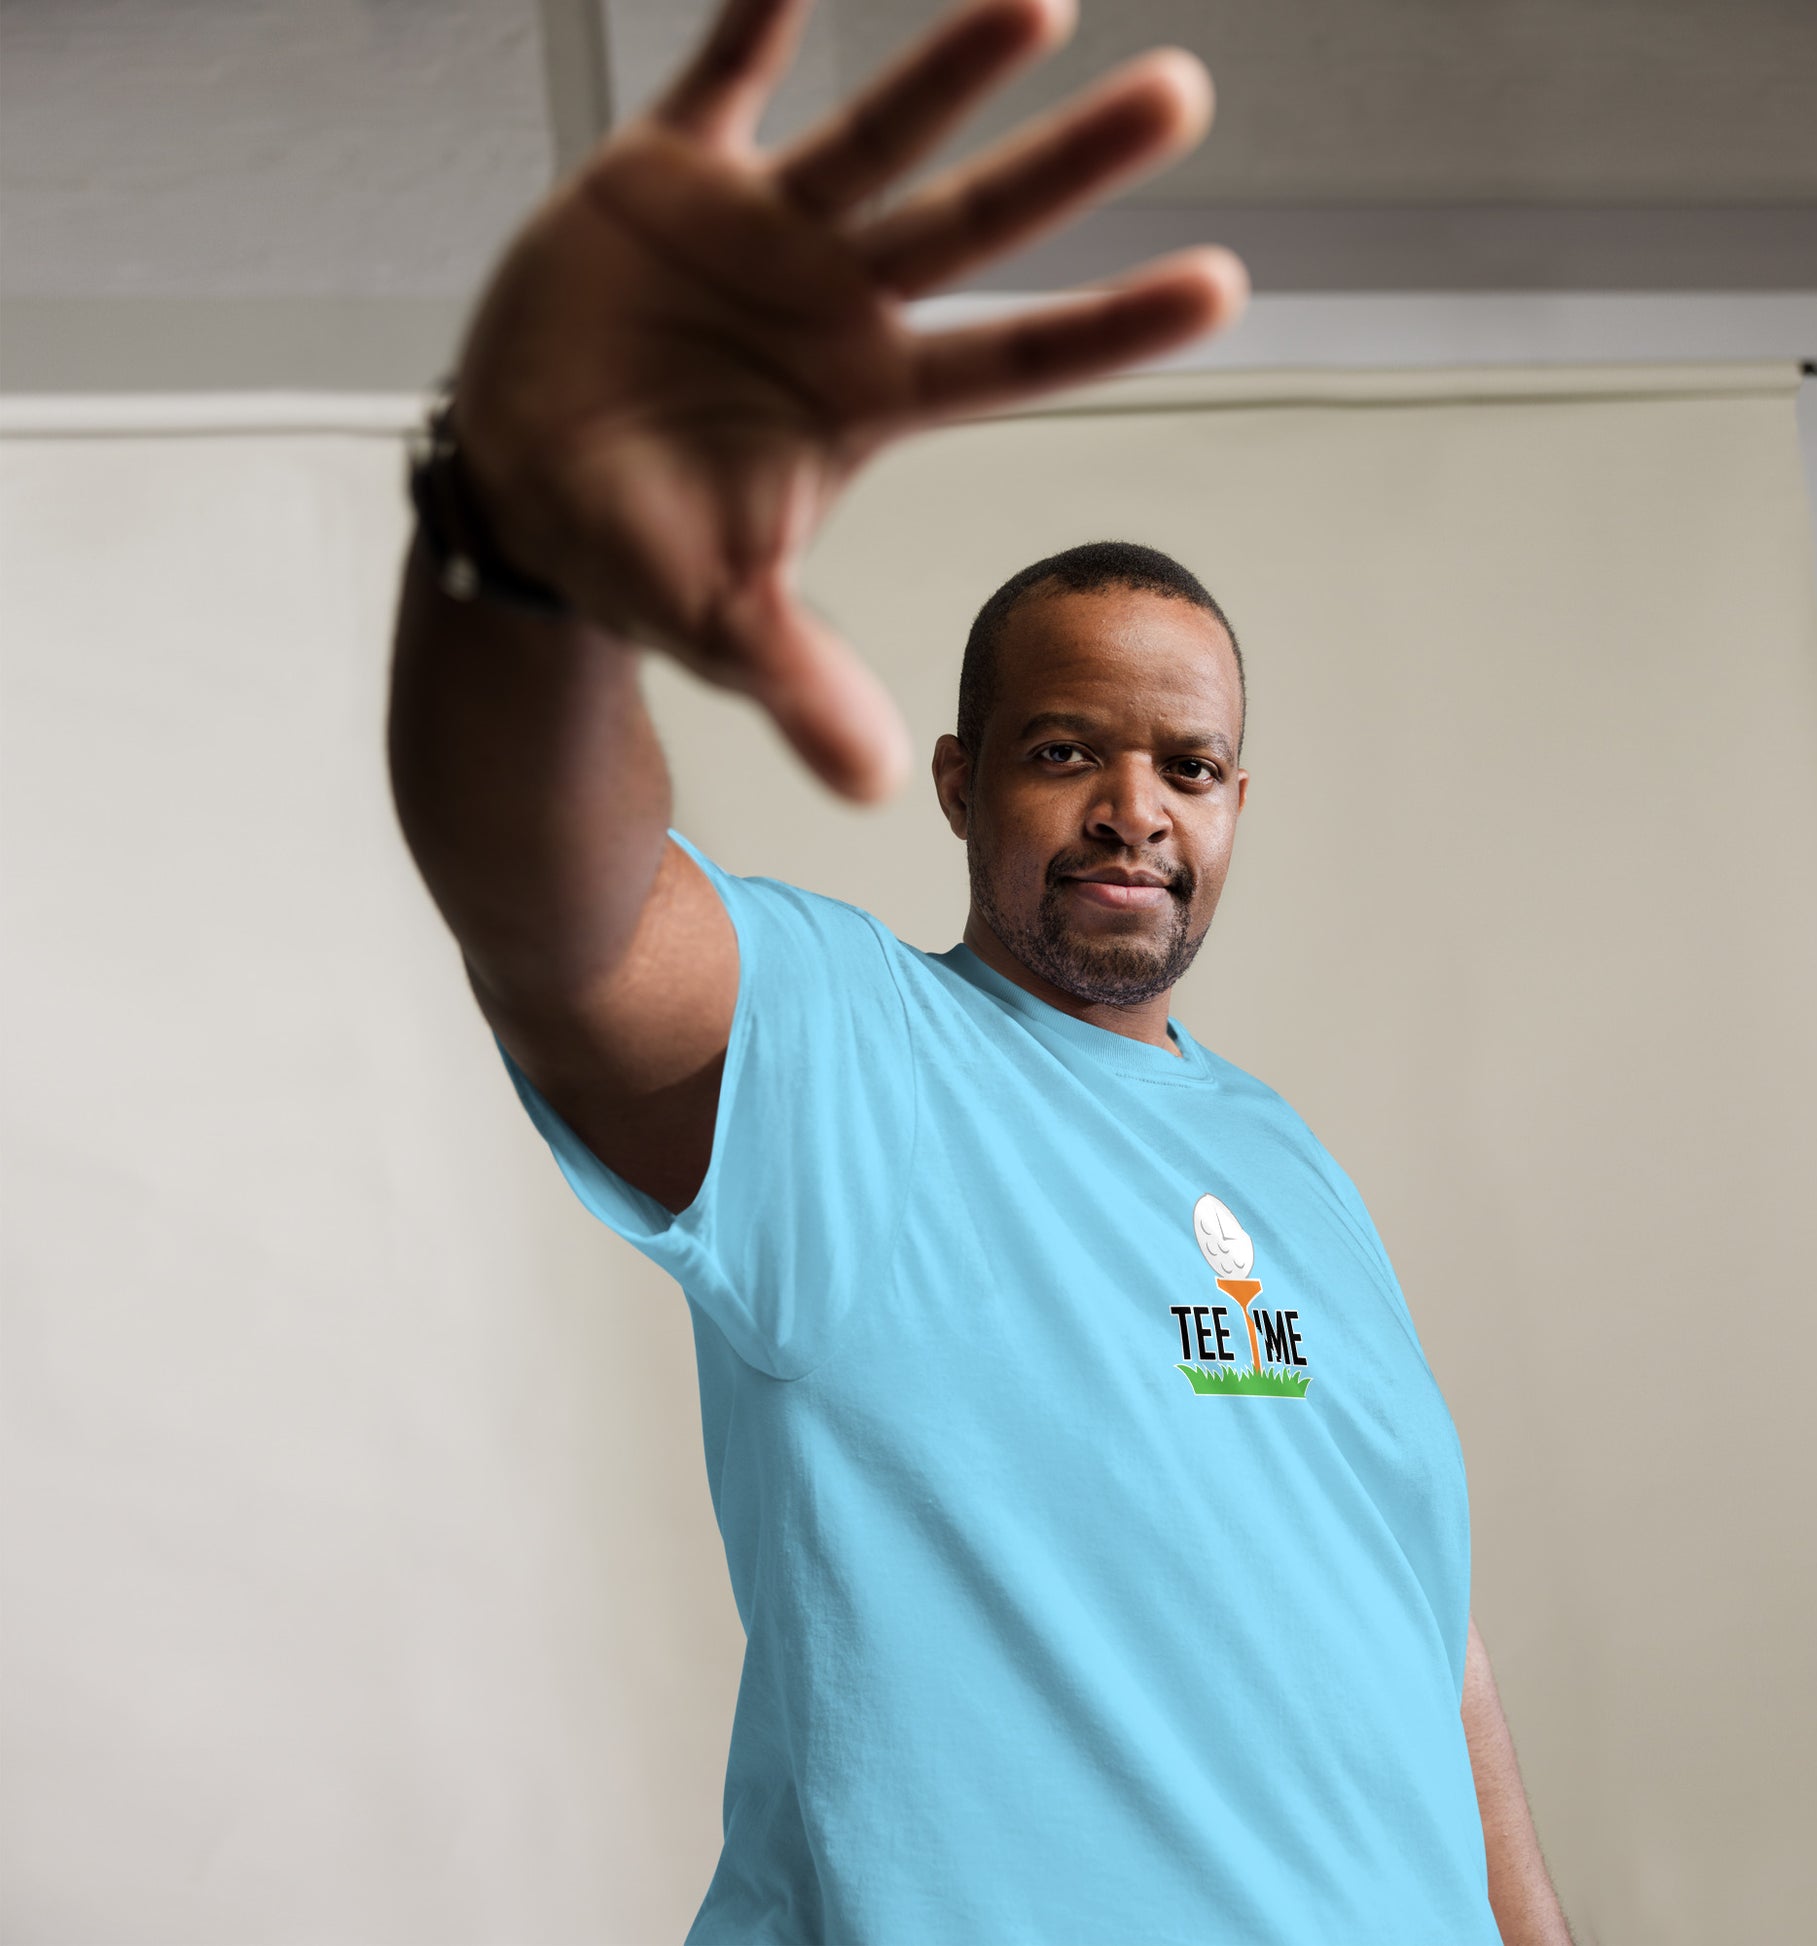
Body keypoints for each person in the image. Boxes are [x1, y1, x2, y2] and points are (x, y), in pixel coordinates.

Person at [386, 0, 1572, 1940]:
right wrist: (526, 550)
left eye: (1184, 766)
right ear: (959, 781)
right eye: (1062, 750)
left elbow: (1423, 1631)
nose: (1132, 807)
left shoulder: (1289, 1168)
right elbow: (563, 924)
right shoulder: (856, 1057)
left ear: (1237, 802)